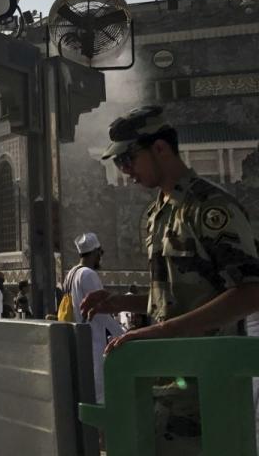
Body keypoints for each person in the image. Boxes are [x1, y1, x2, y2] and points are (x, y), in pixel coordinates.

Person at [80, 106, 259, 454]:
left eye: (129, 159)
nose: (125, 171)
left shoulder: (209, 208)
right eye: (119, 164)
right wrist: (122, 302)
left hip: (209, 387)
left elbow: (250, 292)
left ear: (160, 148)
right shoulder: (157, 213)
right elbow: (179, 291)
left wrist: (162, 331)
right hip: (163, 384)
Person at [62, 232, 123, 403]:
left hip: (78, 339)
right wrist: (122, 334)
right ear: (96, 252)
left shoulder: (71, 274)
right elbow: (101, 311)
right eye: (100, 253)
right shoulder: (88, 274)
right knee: (99, 394)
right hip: (93, 341)